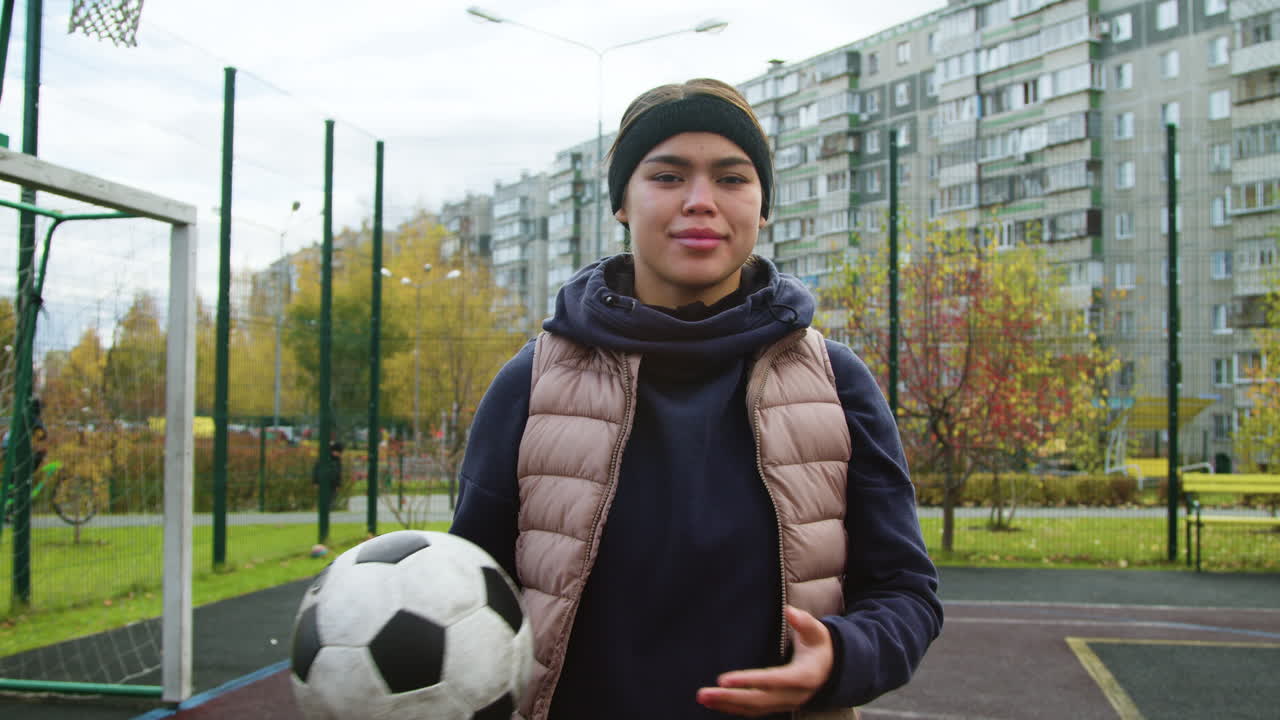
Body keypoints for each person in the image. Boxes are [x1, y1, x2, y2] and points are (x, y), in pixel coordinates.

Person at [451, 78, 942, 720]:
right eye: (668, 176)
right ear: (622, 202)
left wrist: (840, 658)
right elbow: (469, 593)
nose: (701, 202)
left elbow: (906, 592)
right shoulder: (535, 380)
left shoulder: (834, 381)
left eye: (732, 178)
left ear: (762, 208)